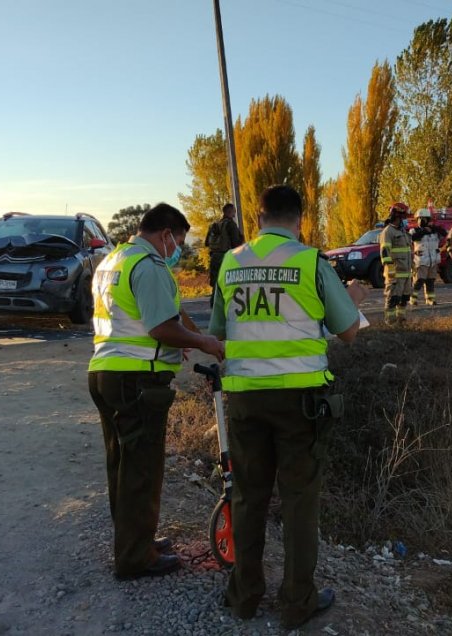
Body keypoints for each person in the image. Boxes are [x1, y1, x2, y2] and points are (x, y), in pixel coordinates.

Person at [210, 184, 366, 631]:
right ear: (300, 220)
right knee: (299, 501)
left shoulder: (231, 263)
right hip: (300, 403)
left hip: (244, 400)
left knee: (248, 496)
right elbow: (349, 332)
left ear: (257, 219)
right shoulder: (310, 261)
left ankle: (244, 595)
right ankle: (297, 602)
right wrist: (352, 299)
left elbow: (221, 332)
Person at [88, 203, 225, 580]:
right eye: (178, 241)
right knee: (141, 469)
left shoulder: (113, 261)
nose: (178, 250)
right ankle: (135, 557)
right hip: (137, 380)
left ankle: (136, 540)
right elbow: (160, 327)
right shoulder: (149, 266)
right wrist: (202, 343)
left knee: (122, 464)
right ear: (166, 234)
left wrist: (189, 334)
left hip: (106, 372)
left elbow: (166, 315)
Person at [379, 202, 413, 322]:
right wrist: (391, 270)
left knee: (404, 299)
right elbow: (385, 252)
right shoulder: (388, 232)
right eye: (404, 218)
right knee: (393, 299)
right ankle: (390, 323)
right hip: (395, 274)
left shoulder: (403, 232)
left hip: (406, 274)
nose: (406, 221)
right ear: (397, 216)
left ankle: (401, 321)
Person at [205, 203, 245, 306]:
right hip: (226, 257)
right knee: (228, 283)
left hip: (214, 257)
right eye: (234, 211)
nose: (235, 213)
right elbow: (236, 243)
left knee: (215, 284)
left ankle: (214, 305)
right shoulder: (230, 224)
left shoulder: (215, 225)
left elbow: (206, 243)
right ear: (230, 212)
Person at [409, 207, 446, 306]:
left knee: (430, 280)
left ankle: (430, 299)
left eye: (425, 219)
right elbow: (412, 238)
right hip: (421, 260)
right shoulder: (414, 231)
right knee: (419, 280)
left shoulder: (434, 231)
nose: (422, 221)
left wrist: (434, 228)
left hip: (433, 259)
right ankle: (413, 298)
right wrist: (424, 231)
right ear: (417, 220)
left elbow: (445, 233)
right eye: (420, 219)